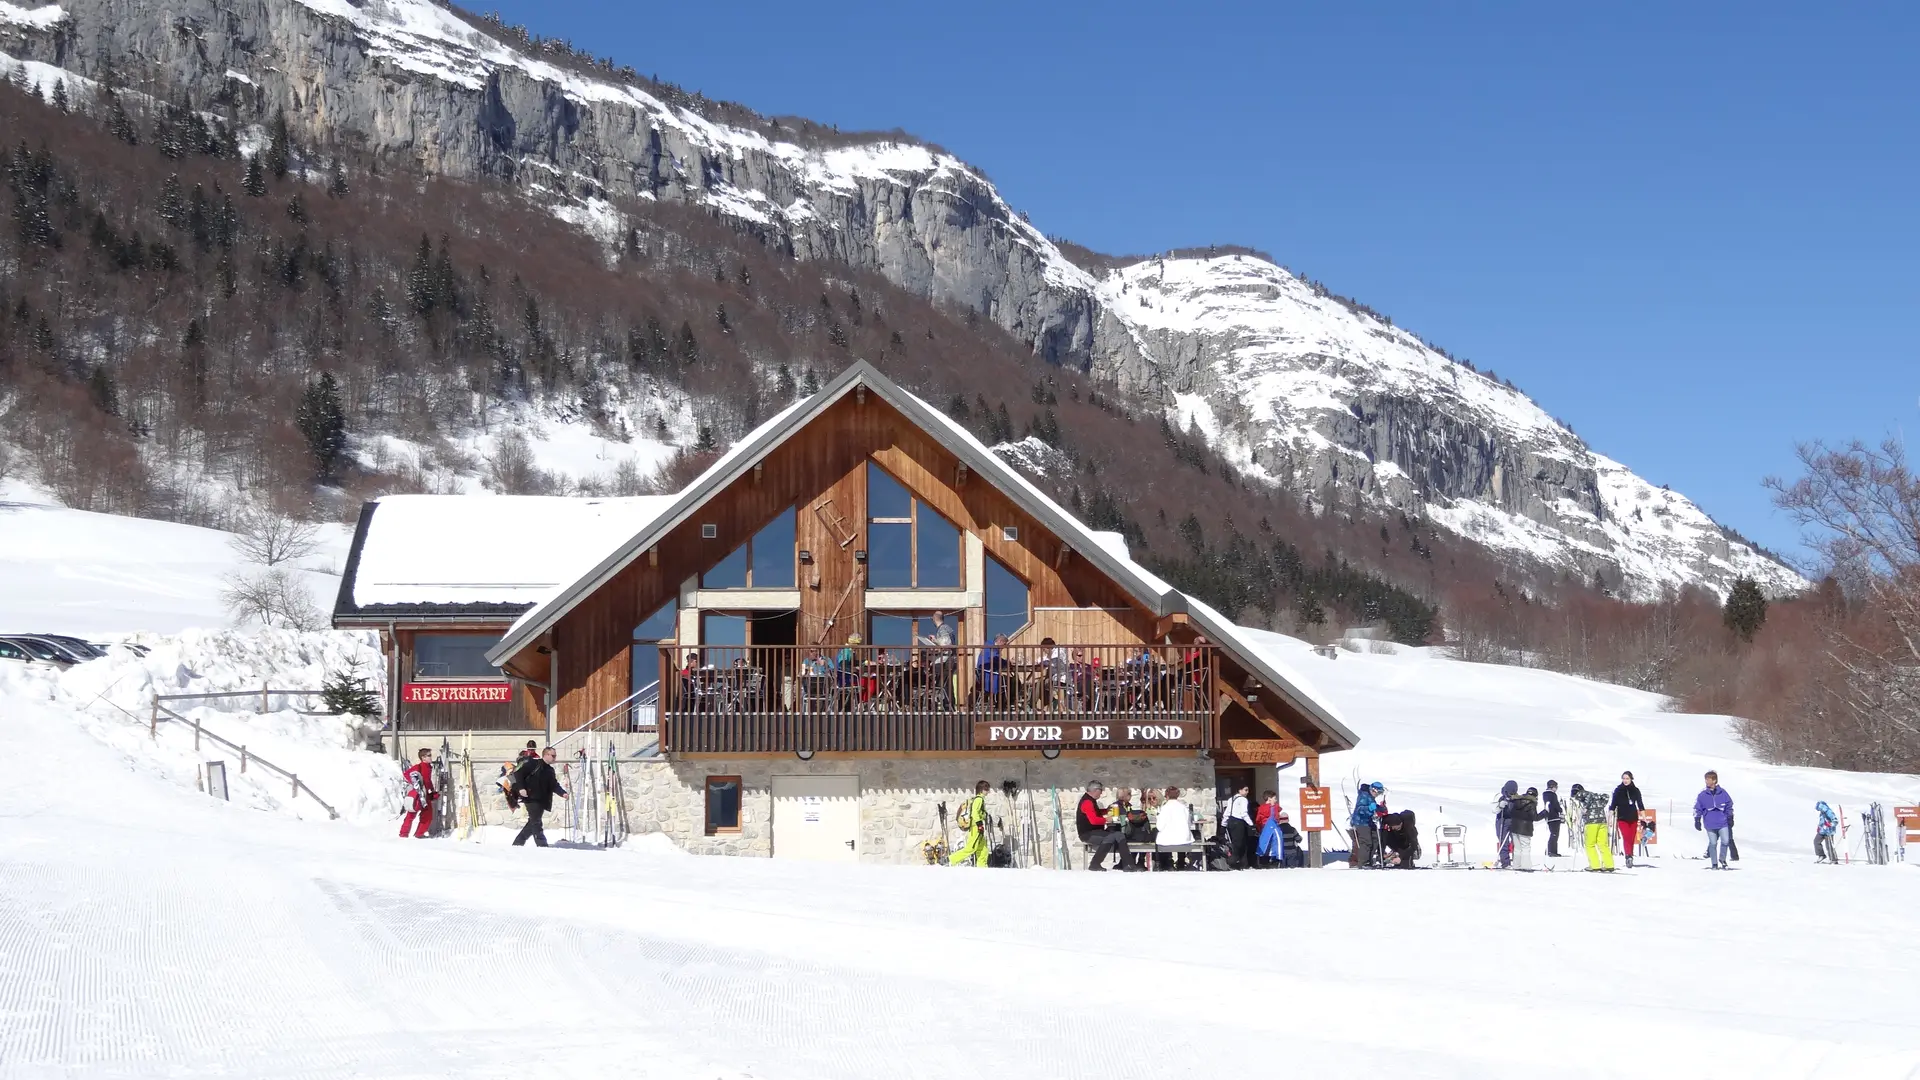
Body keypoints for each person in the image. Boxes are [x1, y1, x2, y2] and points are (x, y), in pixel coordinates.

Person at [511, 746, 568, 847]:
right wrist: (521, 788)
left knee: (533, 822)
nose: (555, 758)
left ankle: (518, 843)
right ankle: (542, 845)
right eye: (553, 756)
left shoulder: (550, 770)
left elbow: (553, 784)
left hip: (542, 800)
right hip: (531, 798)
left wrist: (562, 793)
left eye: (555, 756)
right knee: (536, 822)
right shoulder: (533, 764)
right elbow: (518, 774)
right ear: (546, 755)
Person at [1076, 781, 1134, 871]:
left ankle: (1128, 864)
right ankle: (1095, 864)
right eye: (1101, 791)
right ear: (1096, 790)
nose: (1101, 793)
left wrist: (1106, 811)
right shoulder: (1087, 802)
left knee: (1119, 835)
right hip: (1088, 834)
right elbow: (1094, 821)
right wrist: (1107, 820)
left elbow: (1096, 812)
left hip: (1096, 832)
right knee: (1110, 837)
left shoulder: (1091, 801)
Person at [1693, 771, 1734, 869]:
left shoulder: (1723, 793)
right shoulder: (1702, 794)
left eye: (1708, 779)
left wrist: (1730, 817)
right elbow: (1698, 807)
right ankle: (1714, 863)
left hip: (1722, 822)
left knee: (1725, 841)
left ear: (1714, 780)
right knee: (1713, 843)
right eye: (1706, 779)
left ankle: (1722, 859)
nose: (1706, 781)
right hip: (1710, 822)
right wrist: (1697, 819)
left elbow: (1729, 805)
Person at [1569, 783, 1614, 872]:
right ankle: (1609, 865)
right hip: (1602, 821)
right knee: (1603, 844)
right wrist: (1599, 803)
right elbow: (1606, 796)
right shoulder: (1595, 797)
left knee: (1590, 845)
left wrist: (1585, 807)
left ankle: (1595, 865)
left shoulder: (1581, 795)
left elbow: (1586, 798)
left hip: (1591, 822)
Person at [399, 747, 438, 839]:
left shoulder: (429, 768)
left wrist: (432, 792)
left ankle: (419, 833)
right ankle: (403, 833)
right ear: (423, 757)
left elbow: (428, 782)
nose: (430, 757)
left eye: (430, 755)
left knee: (427, 816)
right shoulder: (419, 766)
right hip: (418, 795)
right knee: (411, 814)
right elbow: (407, 774)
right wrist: (417, 785)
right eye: (428, 755)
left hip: (426, 795)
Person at [949, 780, 990, 867]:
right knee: (971, 848)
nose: (988, 791)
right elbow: (975, 813)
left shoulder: (977, 799)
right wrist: (979, 825)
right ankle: (951, 859)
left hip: (978, 827)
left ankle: (982, 867)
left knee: (983, 849)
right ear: (982, 790)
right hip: (976, 827)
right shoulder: (979, 800)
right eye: (986, 789)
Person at [1610, 771, 1646, 868]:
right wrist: (1610, 818)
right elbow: (1613, 805)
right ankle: (1628, 856)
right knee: (1626, 837)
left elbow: (1640, 804)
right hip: (1622, 818)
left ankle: (1630, 855)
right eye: (1624, 779)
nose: (1625, 781)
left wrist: (1644, 817)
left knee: (1631, 838)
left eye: (1627, 779)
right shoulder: (1618, 790)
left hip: (1633, 817)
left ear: (1631, 779)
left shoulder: (1635, 790)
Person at [1154, 787, 1196, 870]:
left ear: (1167, 796)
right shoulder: (1183, 808)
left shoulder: (1164, 808)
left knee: (1157, 836)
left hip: (1167, 841)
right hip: (1184, 840)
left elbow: (1159, 826)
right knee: (1181, 836)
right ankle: (1181, 862)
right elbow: (1189, 824)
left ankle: (1163, 863)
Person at [1349, 781, 1386, 868]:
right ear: (1374, 790)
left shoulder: (1370, 797)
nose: (1377, 795)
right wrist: (1369, 809)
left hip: (1369, 822)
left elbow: (1373, 806)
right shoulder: (1363, 796)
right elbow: (1360, 810)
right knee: (1366, 842)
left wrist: (1381, 808)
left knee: (1376, 838)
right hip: (1361, 822)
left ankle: (1369, 860)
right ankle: (1363, 862)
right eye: (1378, 792)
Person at [1222, 783, 1255, 869]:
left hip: (1231, 822)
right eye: (1245, 790)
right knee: (1240, 844)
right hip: (1239, 822)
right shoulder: (1243, 800)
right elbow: (1244, 813)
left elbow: (1227, 813)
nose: (1247, 792)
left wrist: (1223, 824)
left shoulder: (1230, 799)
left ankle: (1241, 863)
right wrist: (1251, 824)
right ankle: (1233, 862)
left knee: (1235, 843)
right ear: (1240, 790)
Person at [1507, 786, 1539, 871]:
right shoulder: (1532, 803)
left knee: (1517, 848)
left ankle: (1516, 865)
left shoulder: (1517, 800)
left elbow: (1511, 812)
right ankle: (1526, 866)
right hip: (1525, 829)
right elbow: (1535, 817)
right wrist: (1545, 813)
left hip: (1515, 827)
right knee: (1525, 848)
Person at [1254, 790, 1283, 867]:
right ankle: (1276, 859)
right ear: (1269, 799)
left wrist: (1260, 829)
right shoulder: (1274, 807)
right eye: (1275, 798)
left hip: (1264, 828)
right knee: (1276, 842)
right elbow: (1279, 810)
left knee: (1264, 843)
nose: (1276, 800)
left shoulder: (1260, 808)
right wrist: (1273, 805)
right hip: (1273, 826)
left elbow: (1258, 820)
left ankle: (1263, 860)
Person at [1495, 781, 1519, 868]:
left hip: (1514, 820)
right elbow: (1494, 810)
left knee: (1516, 842)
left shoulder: (1516, 797)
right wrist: (1500, 806)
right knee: (1503, 842)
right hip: (1502, 820)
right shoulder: (1500, 797)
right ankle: (1505, 863)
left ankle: (1517, 862)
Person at [1539, 780, 1565, 858]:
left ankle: (1550, 850)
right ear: (1552, 787)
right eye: (1556, 787)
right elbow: (1555, 804)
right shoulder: (1552, 795)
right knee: (1555, 834)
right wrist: (1560, 810)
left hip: (1549, 816)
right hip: (1554, 817)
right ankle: (1552, 851)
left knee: (1552, 833)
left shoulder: (1545, 795)